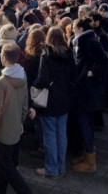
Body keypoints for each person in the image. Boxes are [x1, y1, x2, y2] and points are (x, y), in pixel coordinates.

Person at [0, 43, 32, 194]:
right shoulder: (22, 74)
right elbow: (25, 101)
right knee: (3, 163)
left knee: (6, 166)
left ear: (3, 57)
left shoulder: (0, 81)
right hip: (15, 125)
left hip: (2, 129)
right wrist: (21, 122)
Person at [33, 27, 75, 179]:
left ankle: (51, 168)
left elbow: (43, 79)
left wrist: (34, 85)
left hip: (50, 99)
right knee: (61, 134)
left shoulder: (47, 55)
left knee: (49, 134)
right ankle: (61, 167)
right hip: (65, 98)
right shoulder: (69, 53)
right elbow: (73, 76)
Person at [71, 18, 108, 173]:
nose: (72, 29)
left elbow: (106, 64)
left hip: (88, 91)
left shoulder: (90, 42)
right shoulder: (78, 41)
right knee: (83, 123)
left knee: (86, 124)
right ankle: (87, 154)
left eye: (74, 26)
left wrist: (91, 72)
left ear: (80, 28)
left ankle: (91, 161)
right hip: (81, 89)